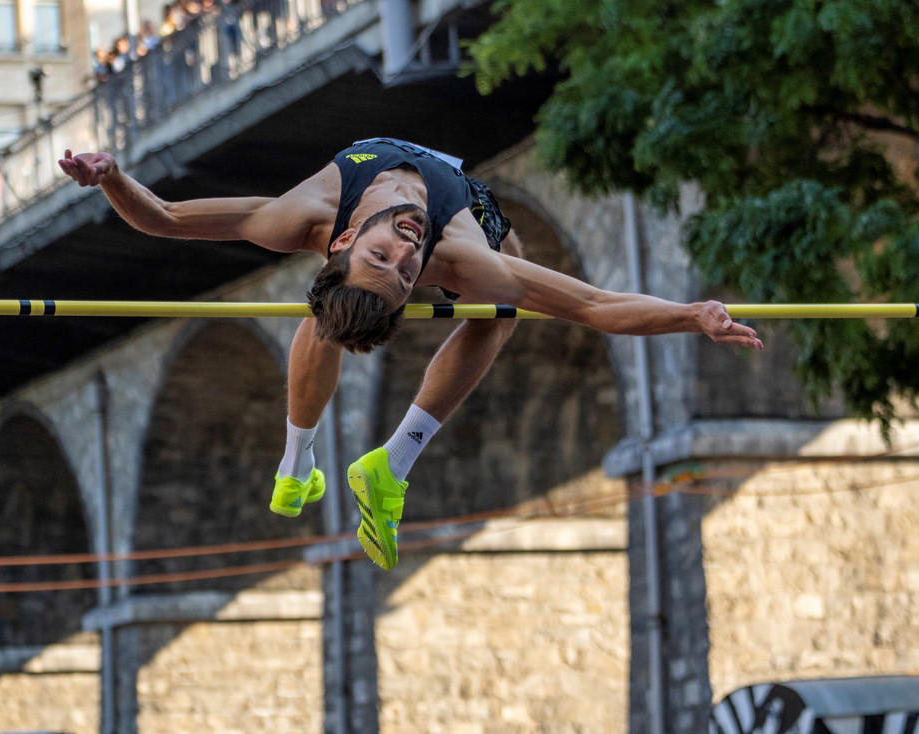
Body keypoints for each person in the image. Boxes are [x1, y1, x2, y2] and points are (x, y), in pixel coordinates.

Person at [59, 138, 762, 570]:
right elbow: (594, 306)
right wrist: (692, 316)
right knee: (478, 295)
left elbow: (166, 216)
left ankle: (358, 463)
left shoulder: (308, 218)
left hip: (429, 185)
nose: (403, 247)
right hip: (460, 197)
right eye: (401, 268)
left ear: (342, 242)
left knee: (476, 292)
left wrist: (110, 172)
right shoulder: (447, 254)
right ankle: (311, 462)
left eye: (388, 258)